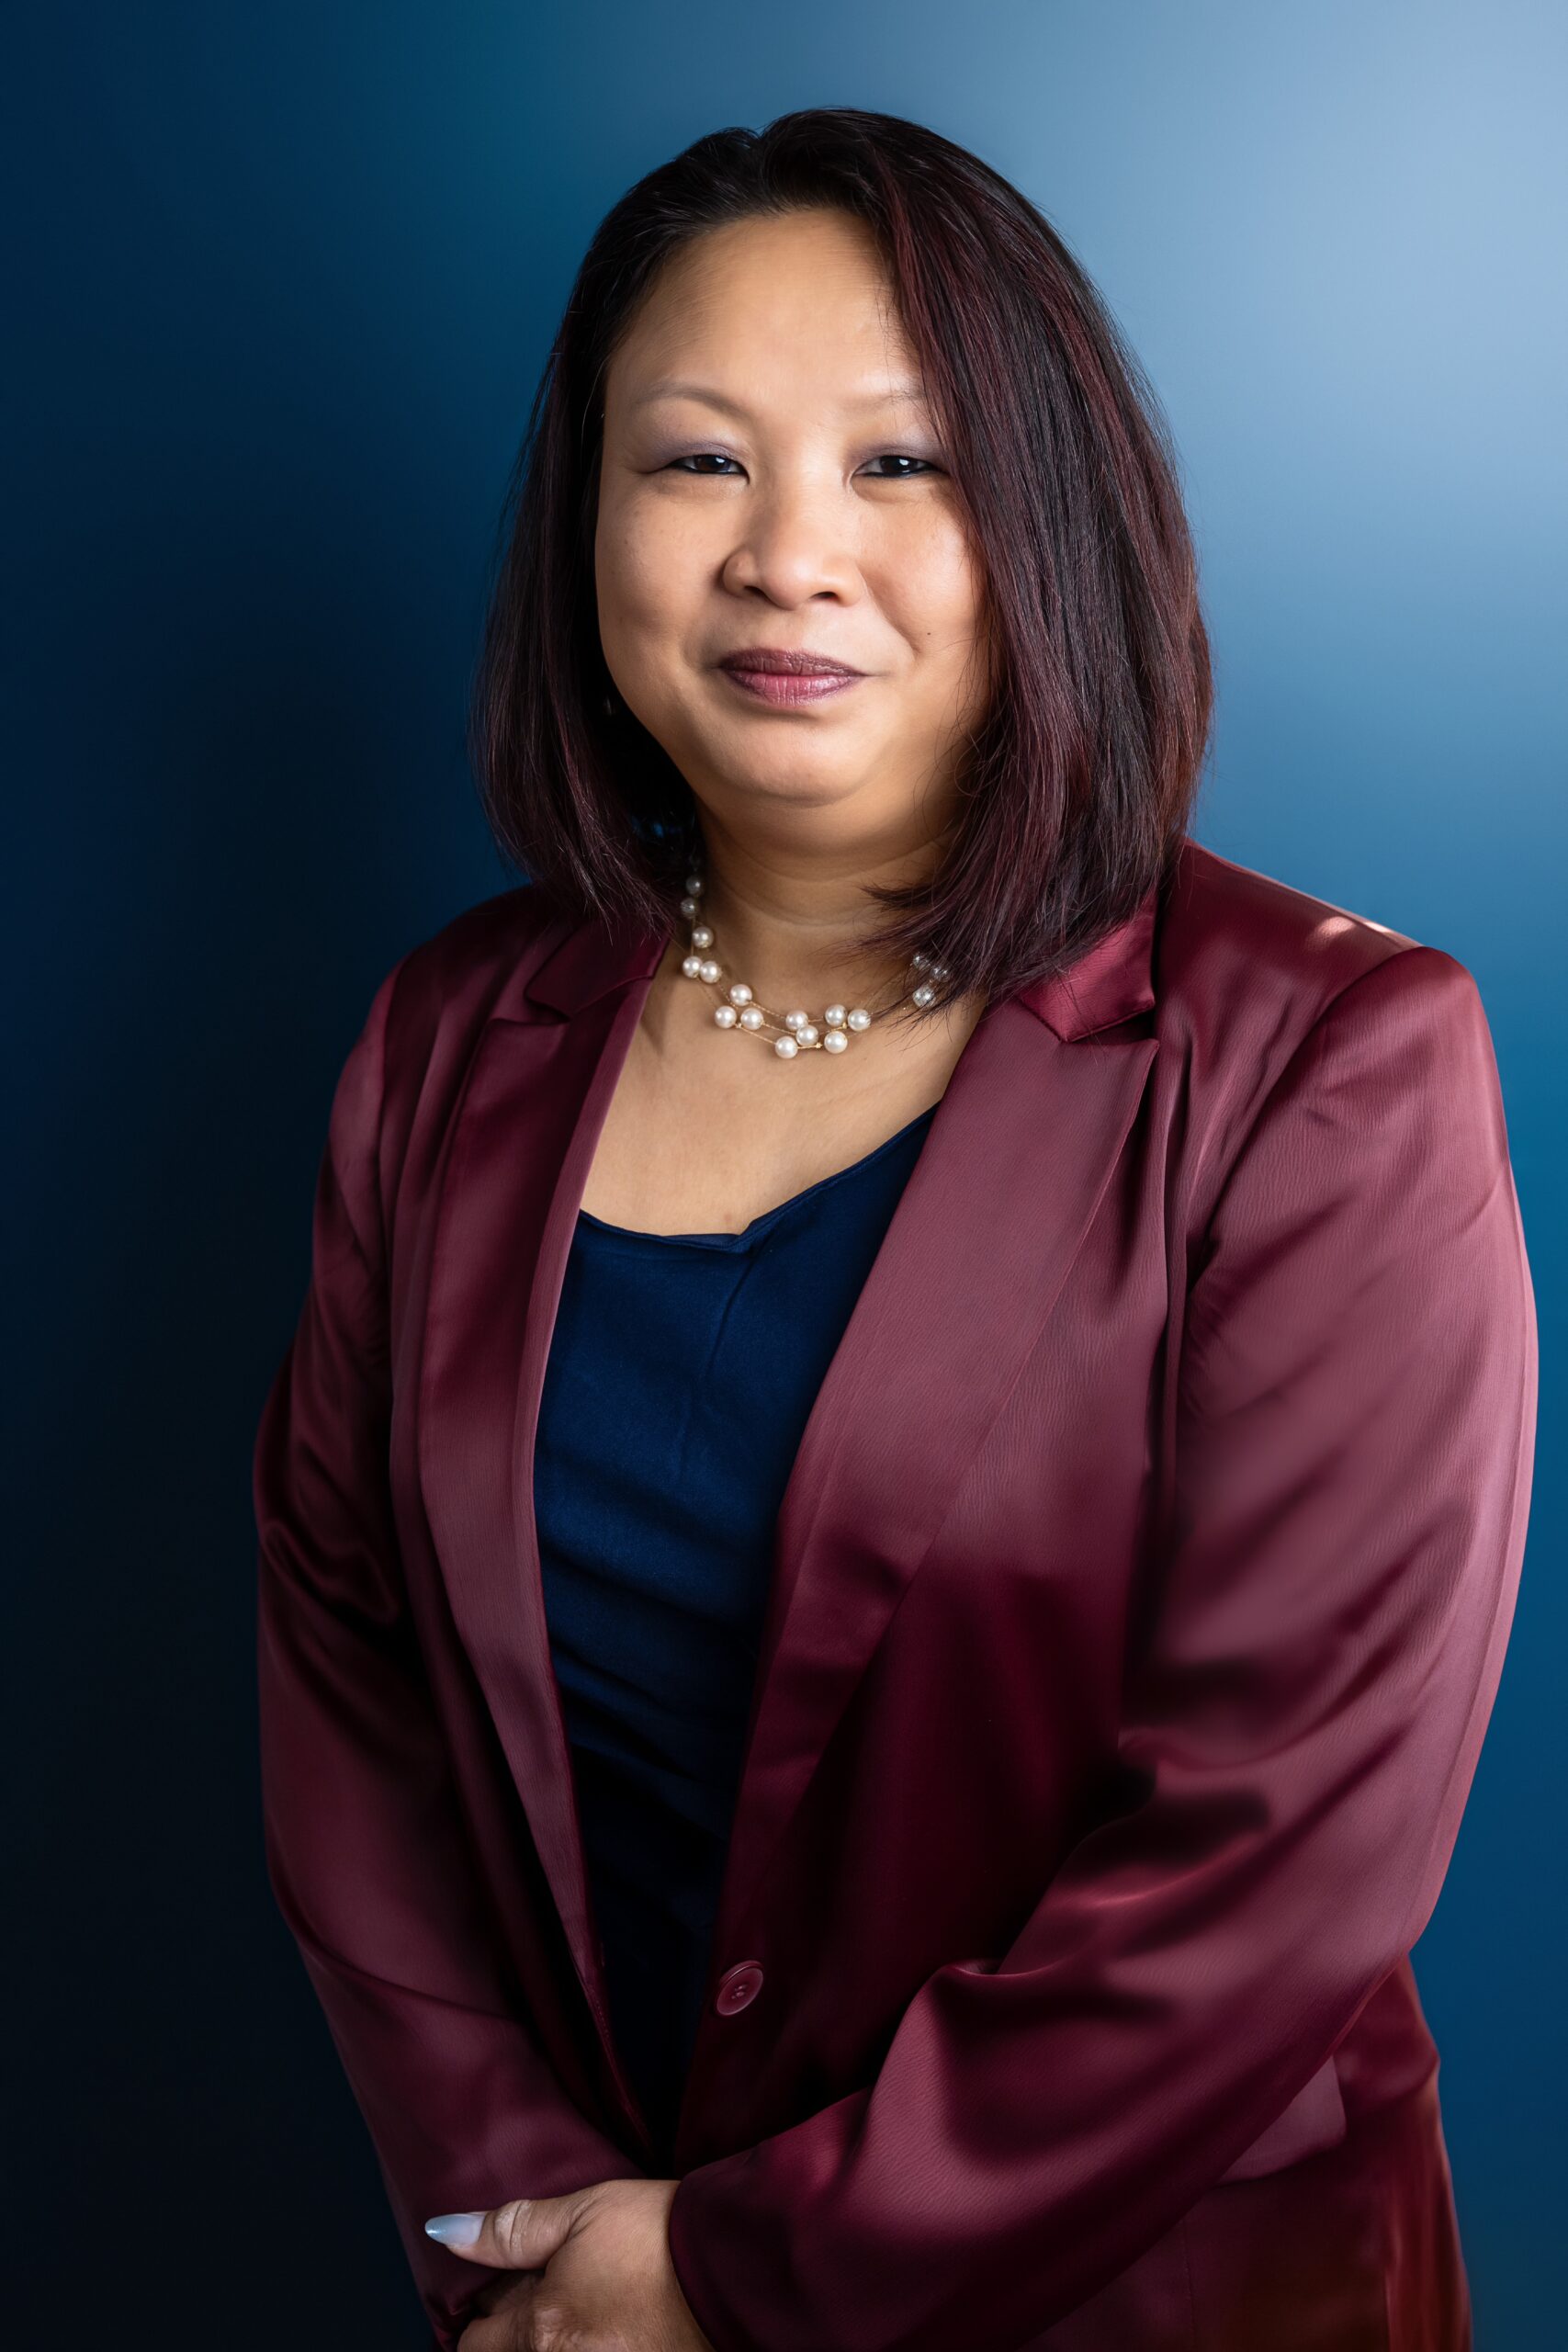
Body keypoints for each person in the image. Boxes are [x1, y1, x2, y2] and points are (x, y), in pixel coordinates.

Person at [253, 107, 1537, 2352]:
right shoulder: (451, 1035)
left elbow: (1274, 1855)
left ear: (1045, 517)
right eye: (695, 460)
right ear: (583, 524)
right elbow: (347, 1685)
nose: (787, 556)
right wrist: (528, 2240)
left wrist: (728, 2279)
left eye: (898, 462)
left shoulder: (1324, 1063)